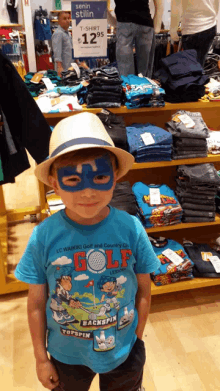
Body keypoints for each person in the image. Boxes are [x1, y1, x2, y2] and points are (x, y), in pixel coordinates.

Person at [14, 112, 160, 391]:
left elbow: (144, 291)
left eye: (100, 176)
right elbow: (35, 305)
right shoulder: (43, 236)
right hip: (65, 356)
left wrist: (137, 340)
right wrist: (40, 359)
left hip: (124, 353)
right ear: (54, 183)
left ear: (115, 176)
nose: (88, 192)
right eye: (72, 180)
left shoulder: (131, 229)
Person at [109, 0, 164, 77]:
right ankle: (145, 87)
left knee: (125, 71)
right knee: (144, 72)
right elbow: (159, 5)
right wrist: (157, 25)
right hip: (145, 24)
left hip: (124, 24)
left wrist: (114, 23)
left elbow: (101, 5)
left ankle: (130, 86)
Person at [170, 0, 219, 66]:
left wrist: (173, 29)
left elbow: (176, 7)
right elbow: (216, 4)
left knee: (191, 67)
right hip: (209, 25)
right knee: (198, 65)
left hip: (191, 26)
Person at [52, 11, 73, 76]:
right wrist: (59, 68)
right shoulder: (58, 33)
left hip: (70, 67)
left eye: (68, 18)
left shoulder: (68, 33)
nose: (67, 21)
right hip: (64, 70)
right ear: (59, 21)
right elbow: (57, 52)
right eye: (64, 19)